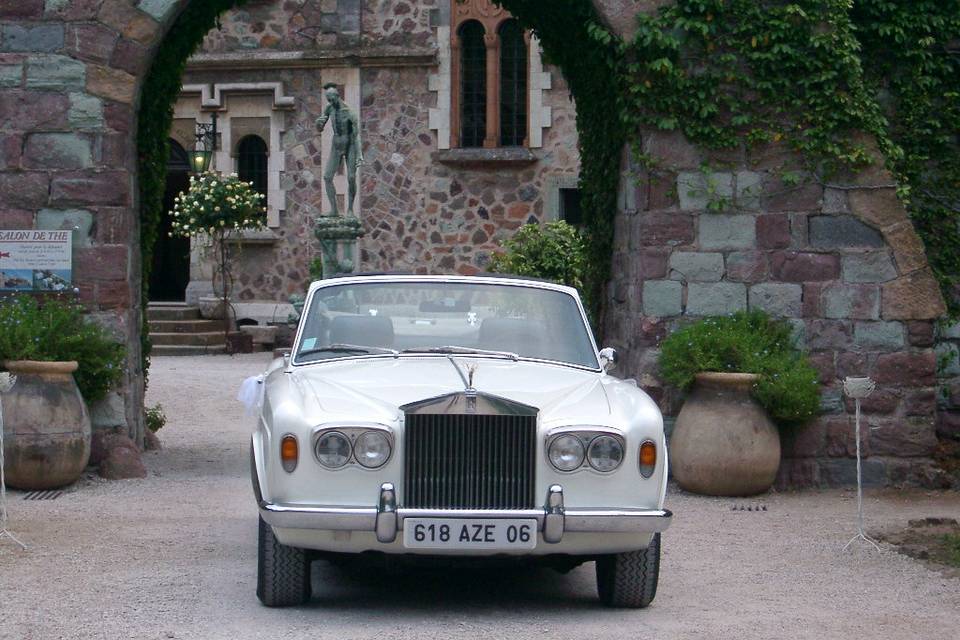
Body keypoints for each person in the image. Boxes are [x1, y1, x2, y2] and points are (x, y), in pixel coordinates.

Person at [315, 83, 363, 216]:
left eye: (331, 98)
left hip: (350, 145)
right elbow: (320, 127)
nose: (330, 101)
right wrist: (317, 124)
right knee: (327, 177)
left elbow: (356, 136)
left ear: (337, 96)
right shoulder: (329, 109)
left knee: (352, 177)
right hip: (336, 144)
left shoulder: (349, 112)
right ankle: (334, 210)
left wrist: (359, 155)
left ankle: (350, 210)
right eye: (328, 99)